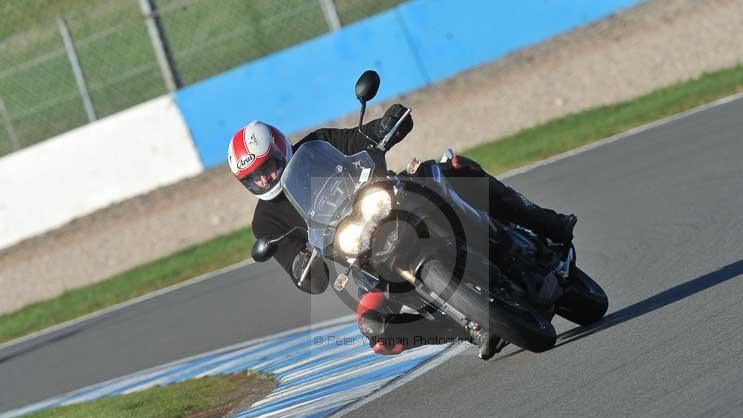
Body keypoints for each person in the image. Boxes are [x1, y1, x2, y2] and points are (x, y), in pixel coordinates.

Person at [228, 105, 577, 360]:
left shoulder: (318, 144)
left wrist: (386, 124)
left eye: (267, 168)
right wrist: (304, 264)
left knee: (449, 171)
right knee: (375, 328)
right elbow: (304, 276)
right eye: (252, 179)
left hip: (393, 204)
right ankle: (467, 328)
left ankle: (546, 222)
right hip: (360, 256)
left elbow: (361, 139)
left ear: (280, 150)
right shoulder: (266, 223)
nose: (263, 180)